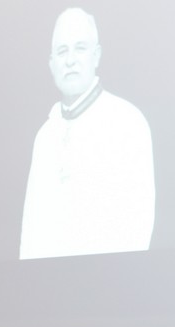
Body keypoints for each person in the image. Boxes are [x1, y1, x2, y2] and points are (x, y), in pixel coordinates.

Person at [19, 7, 155, 260]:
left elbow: (137, 226)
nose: (70, 60)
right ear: (51, 64)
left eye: (80, 48)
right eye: (62, 51)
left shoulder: (127, 122)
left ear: (97, 55)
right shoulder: (44, 137)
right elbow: (30, 232)